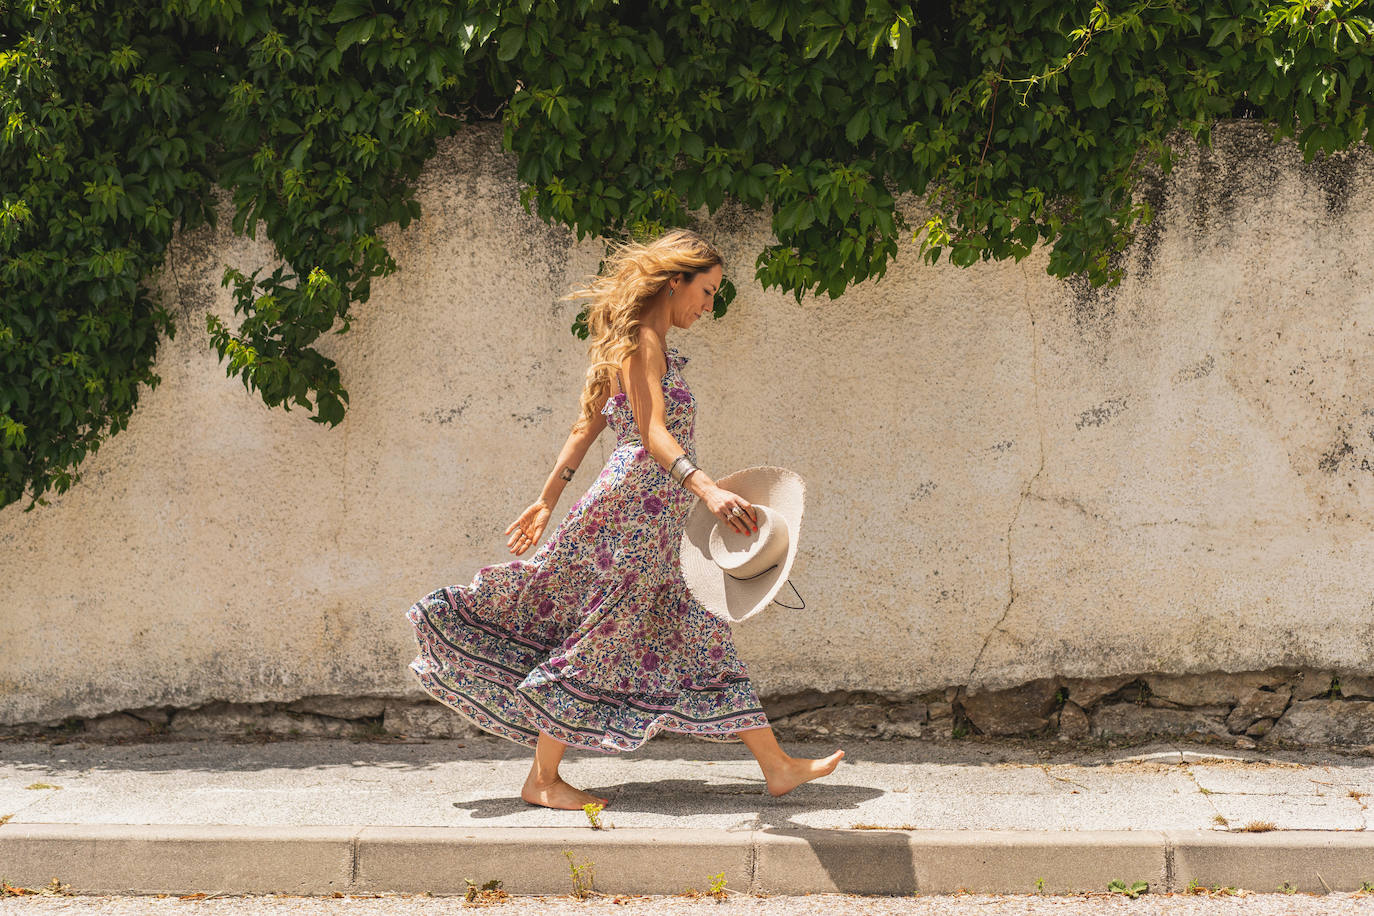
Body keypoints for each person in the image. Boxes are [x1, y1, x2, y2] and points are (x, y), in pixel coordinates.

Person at [406, 228, 844, 811]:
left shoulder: (641, 342)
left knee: (701, 632)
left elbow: (585, 426)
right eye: (707, 292)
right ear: (674, 282)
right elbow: (651, 432)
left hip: (654, 517)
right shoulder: (642, 342)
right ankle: (542, 778)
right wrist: (706, 487)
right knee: (601, 638)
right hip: (631, 516)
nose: (710, 306)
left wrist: (546, 499)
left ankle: (777, 765)